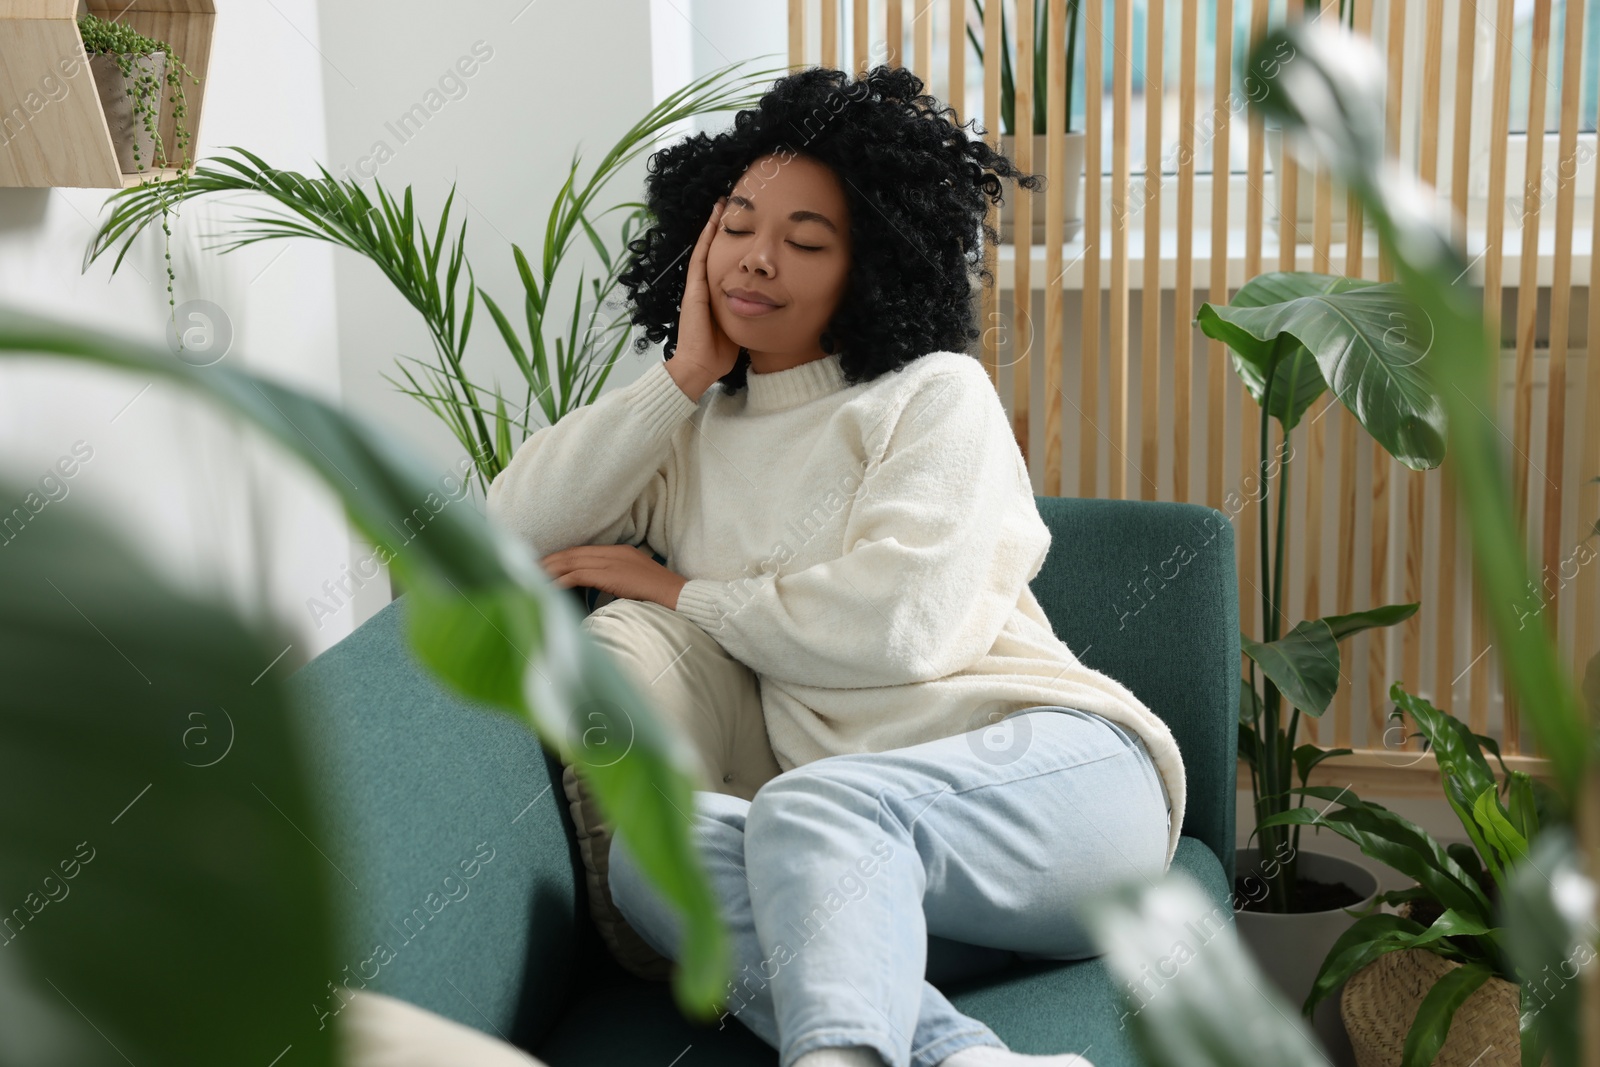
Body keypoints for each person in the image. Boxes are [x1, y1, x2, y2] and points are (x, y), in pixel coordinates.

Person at [486, 64, 1182, 1067]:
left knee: (812, 802)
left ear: (868, 266)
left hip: (1056, 790)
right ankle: (963, 1057)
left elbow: (899, 628)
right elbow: (509, 529)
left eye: (803, 241)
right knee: (656, 867)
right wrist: (679, 378)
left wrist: (686, 593)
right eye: (734, 225)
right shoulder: (684, 438)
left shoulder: (934, 395)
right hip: (863, 866)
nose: (755, 260)